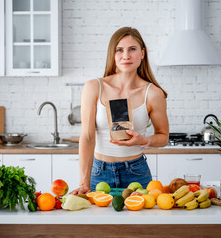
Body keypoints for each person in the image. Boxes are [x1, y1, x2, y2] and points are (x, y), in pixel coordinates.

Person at [71, 27, 169, 195]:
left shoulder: (153, 94)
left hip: (137, 172)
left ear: (143, 53)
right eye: (119, 50)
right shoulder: (94, 88)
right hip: (99, 173)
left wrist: (143, 140)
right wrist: (83, 183)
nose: (126, 56)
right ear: (112, 54)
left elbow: (163, 137)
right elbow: (87, 137)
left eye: (132, 49)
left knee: (140, 221)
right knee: (99, 221)